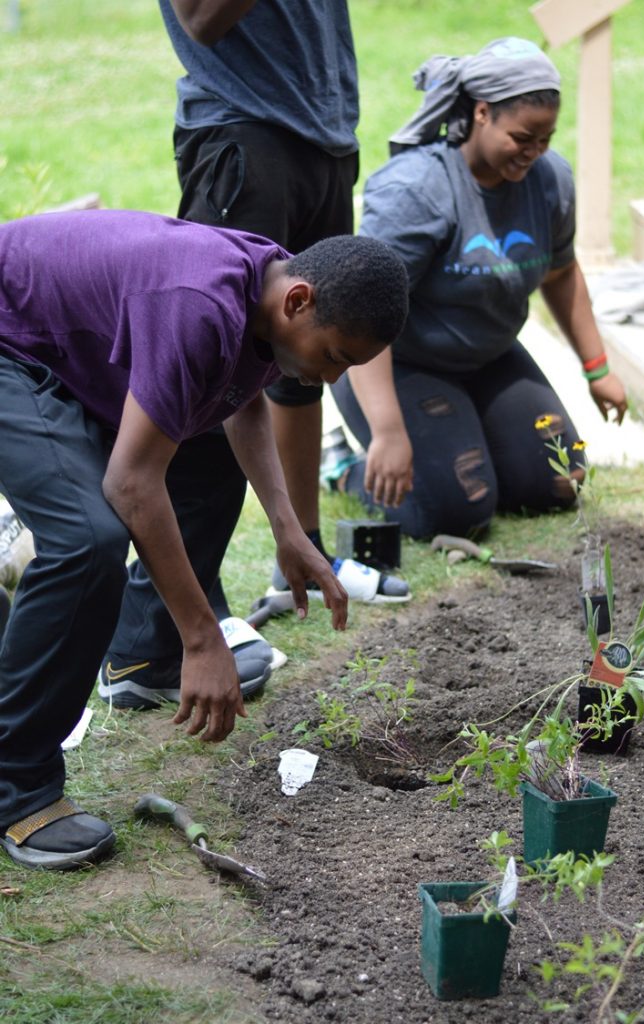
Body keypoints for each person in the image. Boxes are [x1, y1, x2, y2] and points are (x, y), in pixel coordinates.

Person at [0, 208, 409, 869]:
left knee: (208, 455)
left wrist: (288, 529)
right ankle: (16, 789)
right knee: (87, 541)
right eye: (334, 357)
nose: (331, 380)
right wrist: (204, 636)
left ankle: (143, 657)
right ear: (298, 302)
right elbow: (132, 485)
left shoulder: (269, 285)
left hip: (59, 346)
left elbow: (239, 398)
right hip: (13, 345)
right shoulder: (201, 304)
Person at [151, 0, 410, 644]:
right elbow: (201, 19)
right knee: (213, 371)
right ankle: (181, 618)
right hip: (246, 131)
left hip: (324, 132)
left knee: (304, 363)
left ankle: (302, 554)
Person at [330, 37, 628, 541]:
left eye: (546, 139)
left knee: (562, 480)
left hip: (488, 355)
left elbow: (560, 271)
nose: (534, 153)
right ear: (483, 113)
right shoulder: (418, 191)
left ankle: (469, 449)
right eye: (522, 137)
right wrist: (387, 431)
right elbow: (362, 310)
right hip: (399, 361)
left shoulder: (550, 180)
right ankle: (342, 468)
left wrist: (597, 368)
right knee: (459, 512)